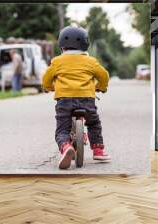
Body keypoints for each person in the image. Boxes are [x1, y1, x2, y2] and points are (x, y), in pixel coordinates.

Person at [42, 26, 111, 169]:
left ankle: (66, 146)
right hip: (87, 100)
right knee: (93, 123)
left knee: (62, 129)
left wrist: (48, 87)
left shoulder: (57, 61)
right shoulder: (91, 61)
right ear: (85, 44)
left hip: (64, 100)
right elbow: (104, 75)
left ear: (62, 46)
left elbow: (46, 78)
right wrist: (101, 87)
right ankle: (98, 150)